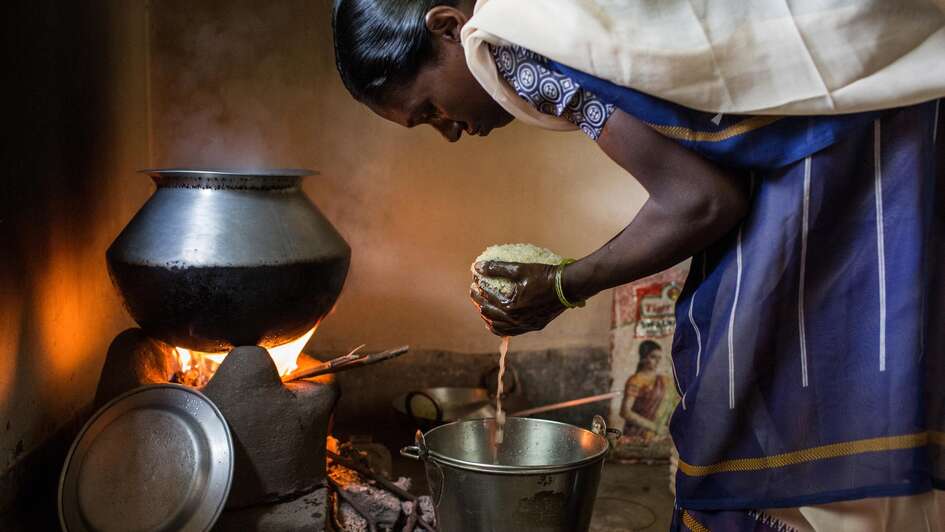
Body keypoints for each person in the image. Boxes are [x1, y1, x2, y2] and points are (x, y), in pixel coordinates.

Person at [331, 0, 945, 530]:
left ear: (446, 27)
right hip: (879, 124)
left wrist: (567, 285)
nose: (452, 132)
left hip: (859, 161)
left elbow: (701, 201)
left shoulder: (507, 42)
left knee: (780, 397)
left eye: (431, 110)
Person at [621, 340, 669, 443]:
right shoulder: (636, 380)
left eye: (659, 358)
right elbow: (625, 412)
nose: (657, 361)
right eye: (653, 357)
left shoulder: (663, 380)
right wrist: (654, 427)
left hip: (656, 436)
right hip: (635, 434)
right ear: (643, 357)